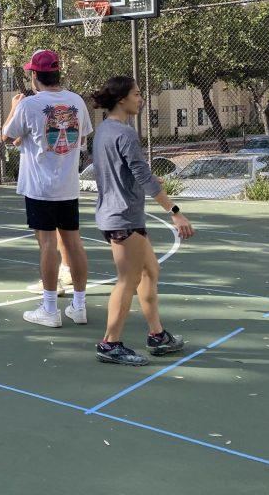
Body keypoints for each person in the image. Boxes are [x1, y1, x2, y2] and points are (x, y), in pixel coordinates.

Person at [91, 76, 194, 365]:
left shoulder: (104, 131)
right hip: (122, 217)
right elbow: (142, 175)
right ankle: (110, 344)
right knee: (128, 280)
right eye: (137, 94)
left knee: (149, 272)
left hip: (121, 214)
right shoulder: (124, 133)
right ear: (122, 99)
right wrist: (175, 212)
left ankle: (157, 335)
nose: (141, 98)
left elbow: (121, 172)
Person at [2, 49, 91, 328]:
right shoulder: (76, 101)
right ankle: (79, 306)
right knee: (74, 243)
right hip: (68, 186)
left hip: (41, 188)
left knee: (48, 244)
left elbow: (6, 136)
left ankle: (50, 308)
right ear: (57, 73)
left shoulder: (29, 105)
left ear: (34, 76)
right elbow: (79, 138)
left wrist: (14, 108)